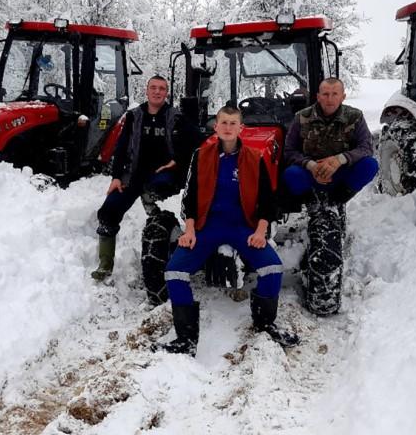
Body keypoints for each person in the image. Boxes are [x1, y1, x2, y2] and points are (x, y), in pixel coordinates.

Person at [159, 106, 299, 356]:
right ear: (216, 126)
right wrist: (189, 229)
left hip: (242, 227)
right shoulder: (201, 155)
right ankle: (186, 338)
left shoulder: (254, 158)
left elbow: (268, 201)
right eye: (223, 122)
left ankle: (265, 323)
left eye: (233, 123)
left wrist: (260, 230)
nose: (228, 127)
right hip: (208, 226)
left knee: (273, 268)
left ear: (240, 128)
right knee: (174, 272)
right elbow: (190, 197)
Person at [91, 75, 196, 281]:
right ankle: (105, 264)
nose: (157, 92)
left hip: (163, 174)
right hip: (135, 172)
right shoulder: (133, 116)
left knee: (155, 188)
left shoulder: (175, 117)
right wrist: (116, 177)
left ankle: (163, 224)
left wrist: (177, 160)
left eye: (162, 89)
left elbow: (196, 141)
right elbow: (121, 147)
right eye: (154, 88)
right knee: (108, 210)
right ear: (147, 91)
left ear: (167, 93)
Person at [282, 77, 378, 206]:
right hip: (311, 173)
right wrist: (311, 166)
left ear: (343, 97)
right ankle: (314, 206)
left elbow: (366, 147)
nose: (330, 99)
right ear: (318, 96)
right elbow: (289, 151)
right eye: (325, 94)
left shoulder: (355, 117)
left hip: (341, 172)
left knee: (370, 165)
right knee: (291, 174)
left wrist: (340, 160)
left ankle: (336, 204)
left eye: (335, 94)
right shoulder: (301, 117)